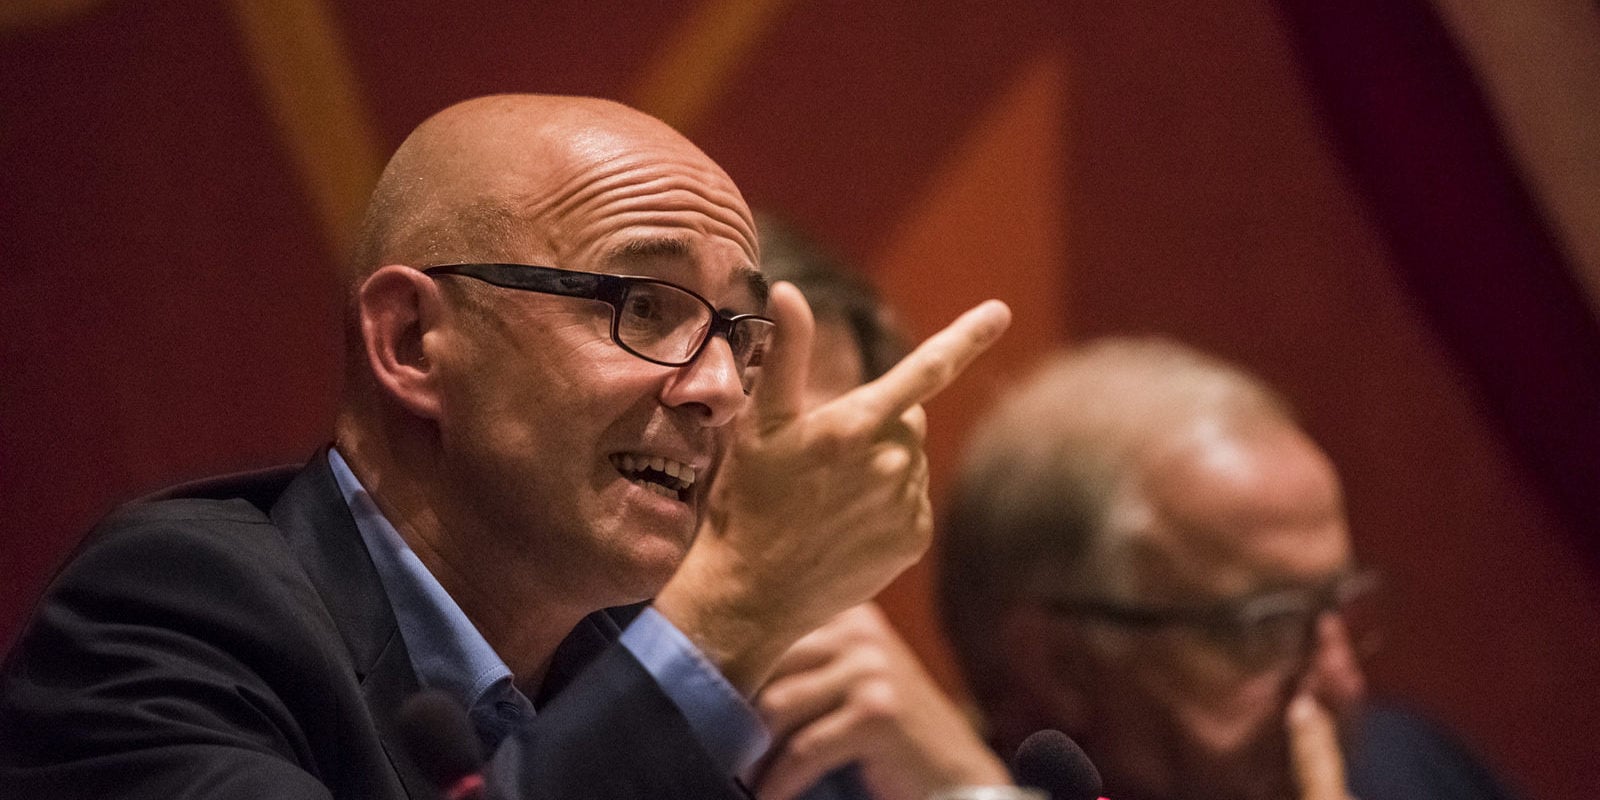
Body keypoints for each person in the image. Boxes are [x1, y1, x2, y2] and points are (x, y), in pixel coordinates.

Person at [0, 94, 1011, 799]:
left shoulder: (614, 664)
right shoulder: (175, 614)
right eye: (642, 306)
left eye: (738, 335)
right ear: (412, 342)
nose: (717, 391)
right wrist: (735, 603)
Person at [939, 337, 1519, 800]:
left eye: (1339, 606)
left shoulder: (1410, 767)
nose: (1343, 683)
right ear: (1061, 667)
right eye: (1262, 627)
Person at [749, 213, 1012, 800]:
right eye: (774, 453)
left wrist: (967, 785)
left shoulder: (871, 723)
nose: (816, 511)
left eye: (840, 466)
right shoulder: (553, 715)